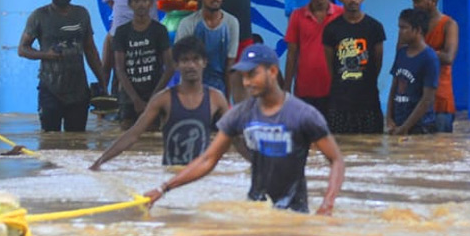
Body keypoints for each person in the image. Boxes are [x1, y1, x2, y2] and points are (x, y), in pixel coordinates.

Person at [144, 44, 344, 215]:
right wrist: (163, 188)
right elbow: (207, 159)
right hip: (256, 209)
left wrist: (327, 204)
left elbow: (336, 160)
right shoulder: (240, 114)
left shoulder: (303, 114)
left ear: (273, 72)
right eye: (243, 76)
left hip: (294, 212)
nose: (246, 82)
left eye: (252, 74)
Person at [90, 36, 230, 171]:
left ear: (204, 62)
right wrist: (100, 162)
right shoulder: (163, 99)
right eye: (185, 60)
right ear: (176, 65)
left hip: (202, 174)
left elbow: (234, 137)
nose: (191, 65)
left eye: (195, 60)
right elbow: (133, 134)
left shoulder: (216, 98)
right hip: (171, 172)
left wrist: (251, 163)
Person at [18, 0, 107, 133]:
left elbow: (90, 50)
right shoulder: (39, 16)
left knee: (77, 142)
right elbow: (22, 49)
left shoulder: (82, 14)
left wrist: (103, 82)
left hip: (79, 89)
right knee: (50, 142)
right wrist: (46, 55)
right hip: (50, 88)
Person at [321, 0, 385, 135]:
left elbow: (378, 62)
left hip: (368, 100)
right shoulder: (331, 29)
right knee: (342, 147)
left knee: (372, 147)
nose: (353, 0)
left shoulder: (374, 27)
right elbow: (330, 66)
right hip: (340, 101)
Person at [284, 0, 342, 116]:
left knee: (336, 137)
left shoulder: (341, 16)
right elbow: (291, 54)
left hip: (335, 90)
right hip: (305, 90)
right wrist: (285, 90)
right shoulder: (297, 16)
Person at [113, 0, 174, 126]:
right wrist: (135, 100)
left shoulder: (159, 30)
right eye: (136, 0)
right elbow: (120, 69)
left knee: (152, 140)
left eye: (145, 0)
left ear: (151, 3)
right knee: (125, 136)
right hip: (129, 97)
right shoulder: (122, 32)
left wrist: (154, 98)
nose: (141, 4)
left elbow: (170, 67)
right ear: (129, 4)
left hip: (154, 93)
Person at [175, 0, 239, 101]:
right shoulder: (187, 23)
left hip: (219, 89)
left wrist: (226, 100)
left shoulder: (232, 23)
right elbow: (180, 61)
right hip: (191, 88)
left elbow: (229, 64)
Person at [409, 0, 459, 133]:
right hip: (414, 98)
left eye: (418, 1)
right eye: (413, 1)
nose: (415, 6)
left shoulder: (449, 25)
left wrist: (419, 51)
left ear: (433, 1)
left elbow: (449, 57)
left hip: (440, 99)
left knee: (441, 150)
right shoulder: (413, 25)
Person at [386, 8, 440, 136]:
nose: (400, 32)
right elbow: (394, 87)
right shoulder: (401, 53)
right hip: (399, 123)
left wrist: (406, 127)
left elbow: (427, 98)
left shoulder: (429, 58)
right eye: (399, 27)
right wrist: (389, 118)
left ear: (418, 30)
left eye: (404, 28)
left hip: (421, 127)